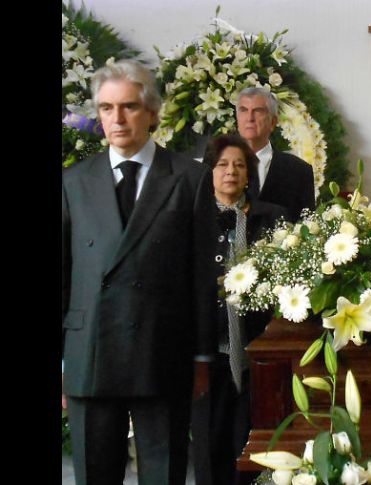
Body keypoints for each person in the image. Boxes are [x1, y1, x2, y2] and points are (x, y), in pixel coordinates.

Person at [62, 59, 219, 484]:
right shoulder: (74, 182)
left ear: (152, 112)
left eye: (128, 106)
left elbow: (202, 277)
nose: (117, 119)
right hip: (90, 351)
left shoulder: (190, 178)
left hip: (162, 350)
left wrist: (202, 356)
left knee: (164, 474)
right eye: (106, 108)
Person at [192, 134, 288, 485]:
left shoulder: (273, 218)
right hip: (208, 352)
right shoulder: (194, 219)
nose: (230, 171)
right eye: (222, 165)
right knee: (210, 442)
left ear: (249, 174)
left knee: (253, 443)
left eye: (239, 165)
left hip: (258, 351)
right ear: (210, 172)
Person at [235, 87, 315, 222]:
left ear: (272, 122)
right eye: (243, 110)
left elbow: (307, 225)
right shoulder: (216, 164)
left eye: (258, 111)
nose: (249, 118)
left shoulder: (299, 170)